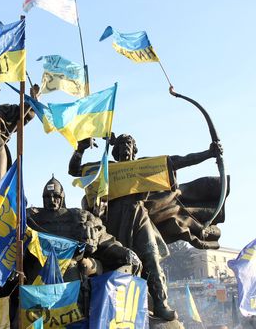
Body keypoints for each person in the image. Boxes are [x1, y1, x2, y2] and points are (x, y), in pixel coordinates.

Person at [68, 134, 226, 321]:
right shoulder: (106, 168)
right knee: (114, 263)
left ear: (134, 149)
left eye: (129, 144)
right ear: (116, 151)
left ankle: (160, 304)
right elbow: (75, 170)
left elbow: (176, 162)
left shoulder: (143, 167)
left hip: (139, 218)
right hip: (113, 221)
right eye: (121, 144)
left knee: (152, 259)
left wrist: (207, 153)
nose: (126, 147)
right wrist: (80, 149)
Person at [26, 176, 142, 282]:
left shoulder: (80, 217)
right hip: (38, 279)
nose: (52, 200)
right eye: (47, 197)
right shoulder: (30, 219)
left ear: (62, 197)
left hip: (72, 278)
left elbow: (105, 241)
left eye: (56, 196)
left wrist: (126, 253)